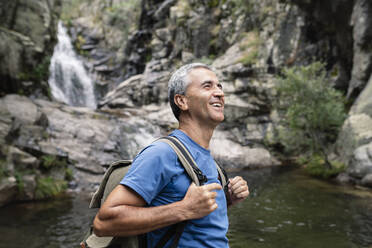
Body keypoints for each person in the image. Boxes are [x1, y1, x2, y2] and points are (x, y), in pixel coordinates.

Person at [93, 63, 250, 247]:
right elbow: (103, 223)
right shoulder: (162, 153)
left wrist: (227, 199)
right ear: (182, 101)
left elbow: (198, 224)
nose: (219, 93)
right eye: (207, 86)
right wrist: (184, 209)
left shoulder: (210, 162)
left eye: (219, 86)